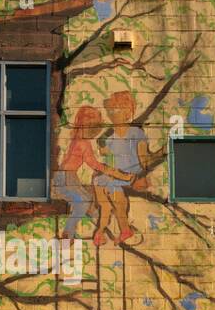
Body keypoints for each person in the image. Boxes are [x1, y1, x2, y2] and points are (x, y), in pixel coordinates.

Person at [55, 106, 131, 240]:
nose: (94, 131)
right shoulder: (83, 143)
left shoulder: (77, 139)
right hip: (66, 178)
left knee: (90, 201)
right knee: (84, 201)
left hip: (67, 177)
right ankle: (68, 233)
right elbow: (95, 164)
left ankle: (104, 227)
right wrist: (115, 173)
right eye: (92, 127)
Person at [95, 91, 147, 246]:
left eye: (116, 109)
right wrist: (102, 147)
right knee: (99, 182)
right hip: (116, 174)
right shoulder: (110, 137)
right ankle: (101, 228)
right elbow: (107, 156)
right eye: (110, 110)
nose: (112, 114)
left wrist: (143, 175)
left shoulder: (136, 133)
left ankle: (123, 228)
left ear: (127, 112)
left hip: (131, 173)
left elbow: (143, 158)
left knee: (111, 184)